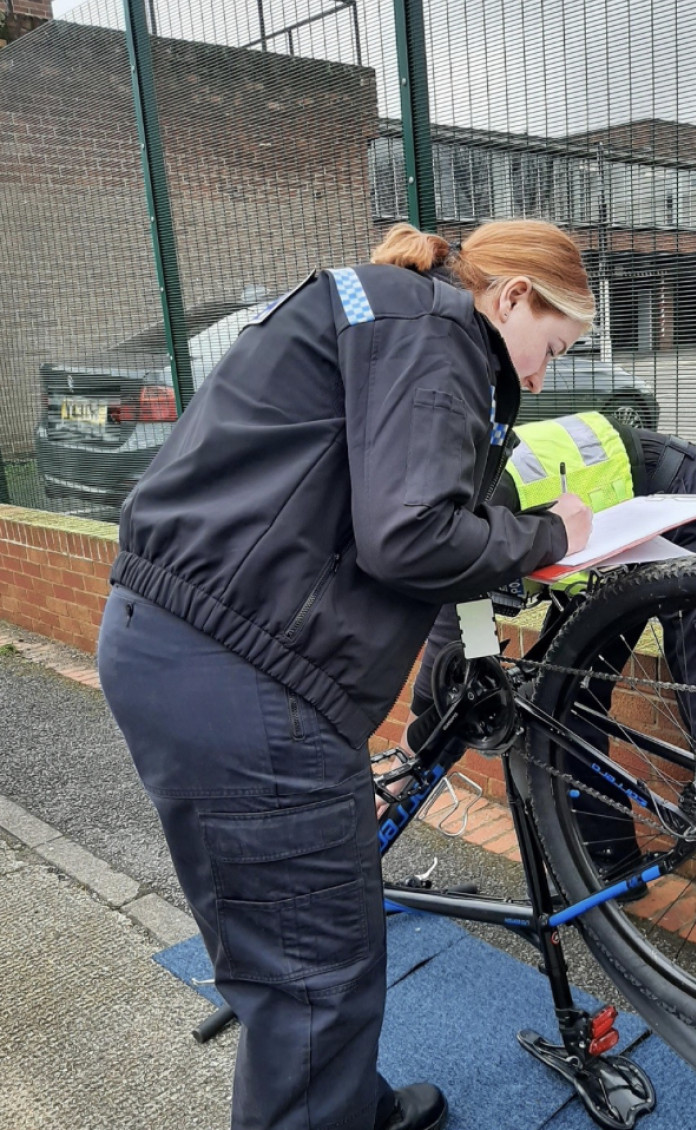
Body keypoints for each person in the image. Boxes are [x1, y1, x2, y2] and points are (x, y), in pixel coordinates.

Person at [96, 219, 597, 1130]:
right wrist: (558, 532)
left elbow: (389, 497)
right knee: (316, 973)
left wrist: (500, 543)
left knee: (277, 941)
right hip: (246, 678)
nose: (541, 375)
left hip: (166, 643)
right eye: (552, 347)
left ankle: (341, 1107)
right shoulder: (440, 329)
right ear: (513, 296)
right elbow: (411, 533)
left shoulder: (382, 313)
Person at [392, 410, 696, 1005]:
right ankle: (610, 860)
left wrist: (404, 765)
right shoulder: (433, 502)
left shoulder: (461, 501)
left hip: (682, 507)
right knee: (563, 698)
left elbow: (444, 672)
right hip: (604, 551)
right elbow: (463, 666)